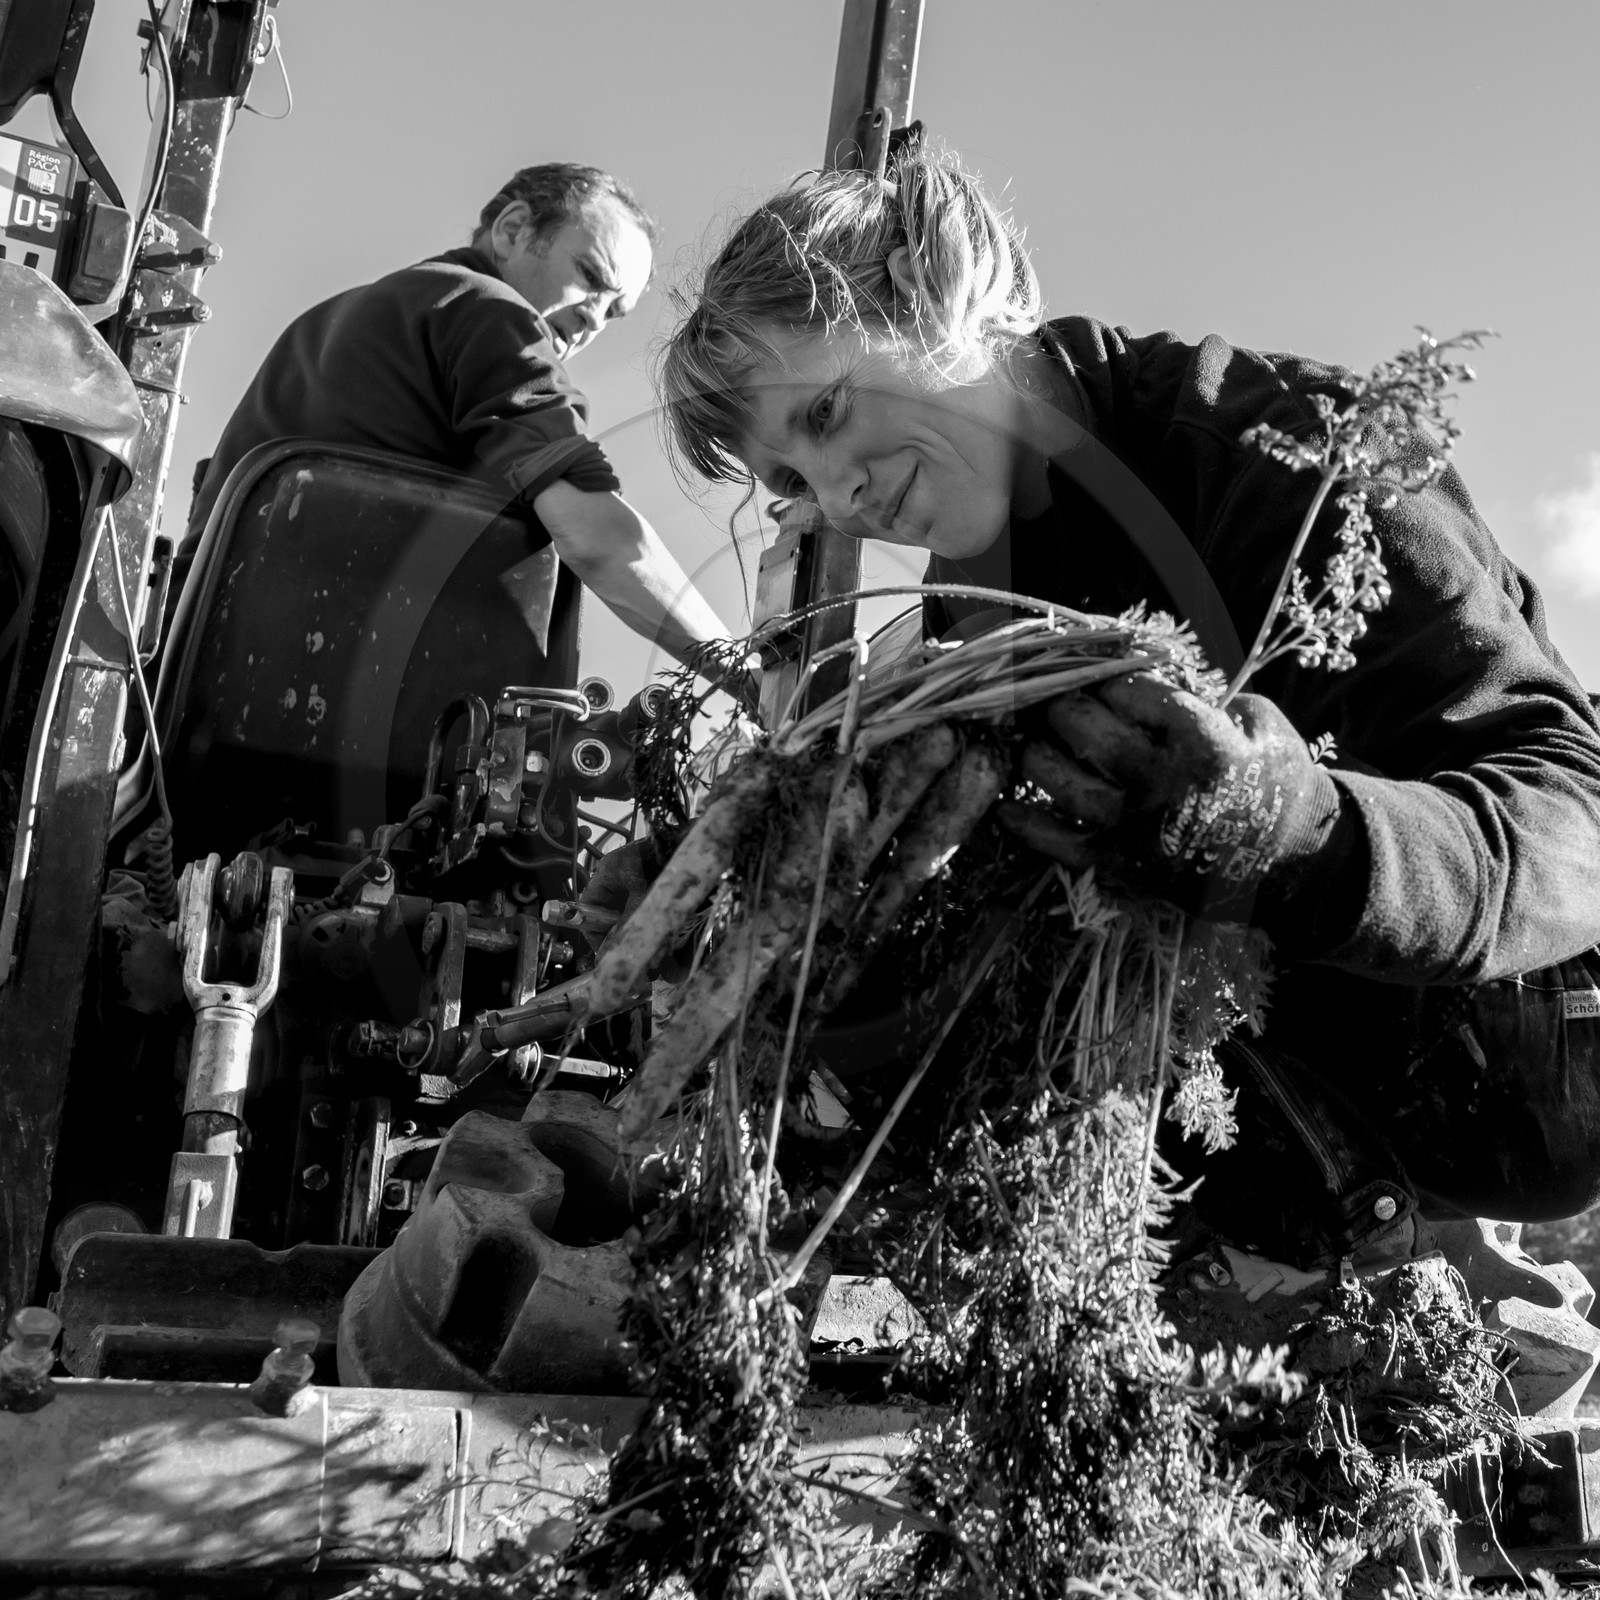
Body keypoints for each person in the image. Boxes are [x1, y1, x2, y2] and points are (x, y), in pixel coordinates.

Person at [654, 147, 1600, 1263]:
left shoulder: (1284, 458)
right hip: (1234, 1063)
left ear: (932, 291)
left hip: (1512, 1049)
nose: (839, 496)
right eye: (793, 484)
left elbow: (1569, 820)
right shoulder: (975, 605)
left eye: (826, 412)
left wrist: (1296, 830)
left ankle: (1426, 1262)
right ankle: (1255, 1263)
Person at [177, 162, 733, 672]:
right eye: (590, 275)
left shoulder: (329, 322)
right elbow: (595, 535)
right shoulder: (490, 313)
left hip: (191, 686)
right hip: (332, 693)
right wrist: (739, 668)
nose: (594, 318)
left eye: (616, 312)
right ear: (514, 230)